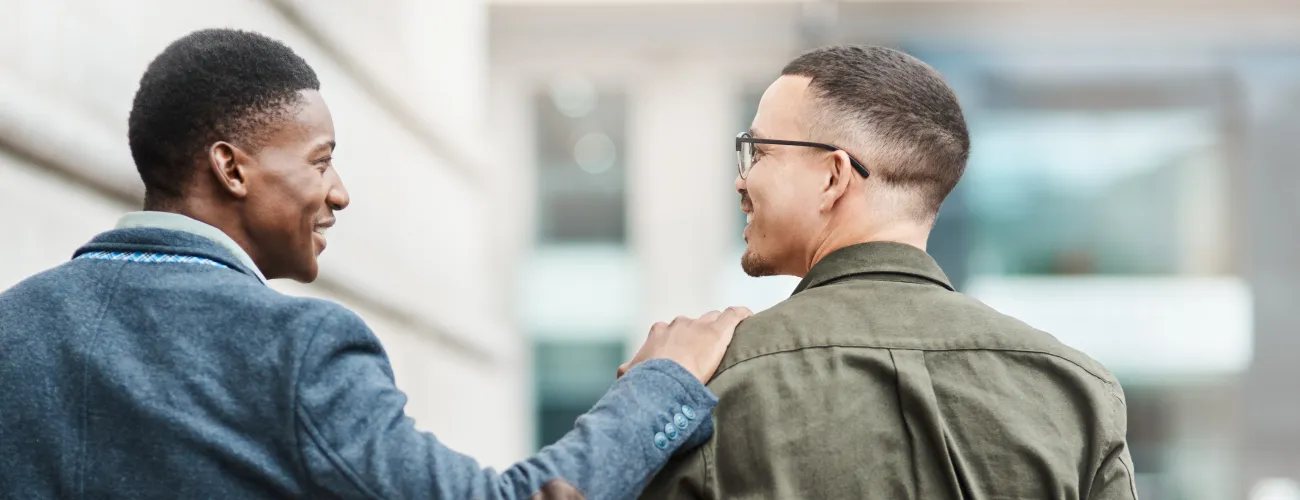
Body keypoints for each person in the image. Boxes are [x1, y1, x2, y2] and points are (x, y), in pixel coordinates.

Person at [0, 28, 751, 499]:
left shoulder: (15, 325)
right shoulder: (298, 350)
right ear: (232, 169)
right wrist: (667, 384)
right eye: (320, 161)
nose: (340, 193)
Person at [641, 45, 1137, 499]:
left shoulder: (701, 383)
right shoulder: (1076, 392)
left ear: (834, 177)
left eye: (760, 152)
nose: (741, 180)